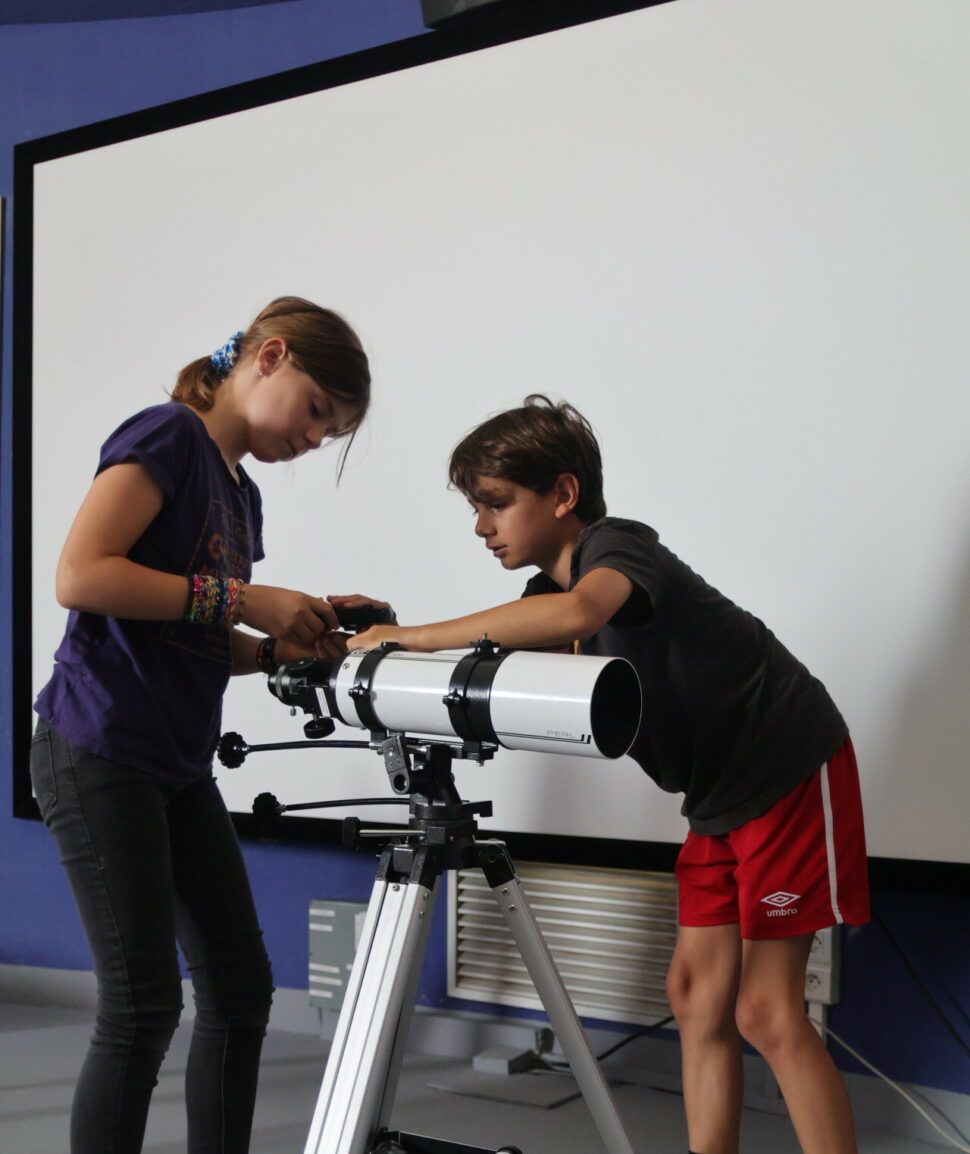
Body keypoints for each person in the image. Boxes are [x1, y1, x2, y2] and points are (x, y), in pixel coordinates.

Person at [346, 394, 870, 1154]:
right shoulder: (543, 598)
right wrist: (389, 634)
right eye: (476, 508)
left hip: (785, 766)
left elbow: (580, 613)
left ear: (563, 496)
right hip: (717, 799)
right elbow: (508, 659)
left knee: (767, 1012)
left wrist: (417, 637)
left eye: (496, 503)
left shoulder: (618, 547)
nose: (481, 525)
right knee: (694, 997)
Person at [29, 296, 371, 1154]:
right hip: (98, 748)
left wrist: (278, 649)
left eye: (331, 433)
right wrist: (249, 599)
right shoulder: (168, 435)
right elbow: (80, 575)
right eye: (318, 411)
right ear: (272, 357)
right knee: (144, 1005)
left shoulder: (240, 496)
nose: (314, 438)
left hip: (177, 766)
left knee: (241, 988)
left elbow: (195, 630)